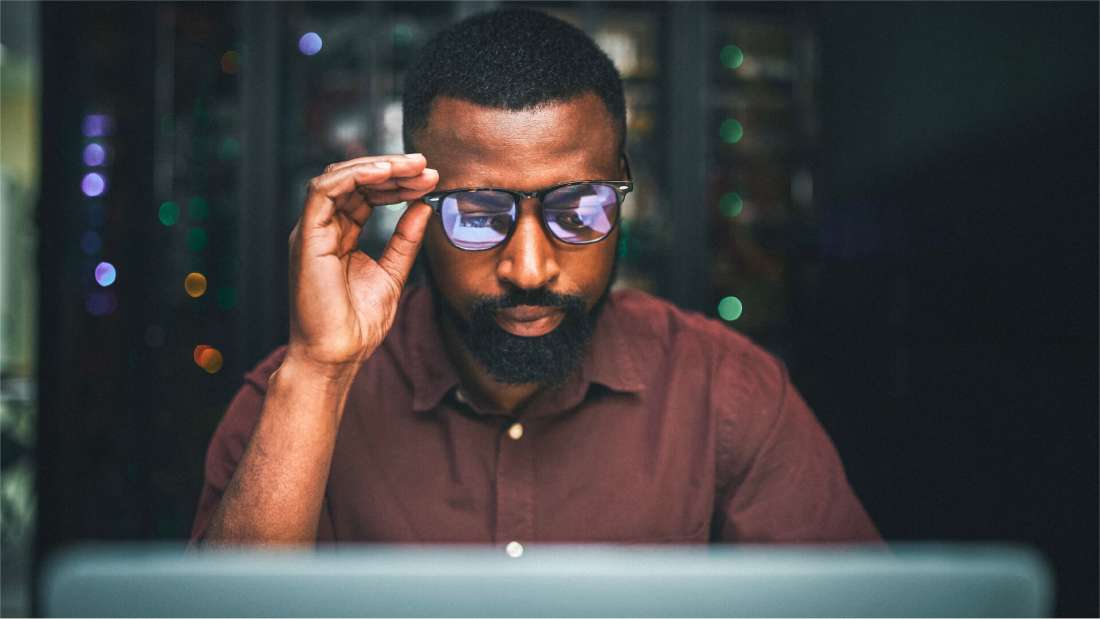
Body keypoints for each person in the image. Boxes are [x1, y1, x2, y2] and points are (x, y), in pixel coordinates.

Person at [191, 9, 880, 547]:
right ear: (415, 207)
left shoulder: (726, 392)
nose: (529, 267)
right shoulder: (296, 396)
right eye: (479, 212)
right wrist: (318, 370)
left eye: (578, 208)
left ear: (623, 194)